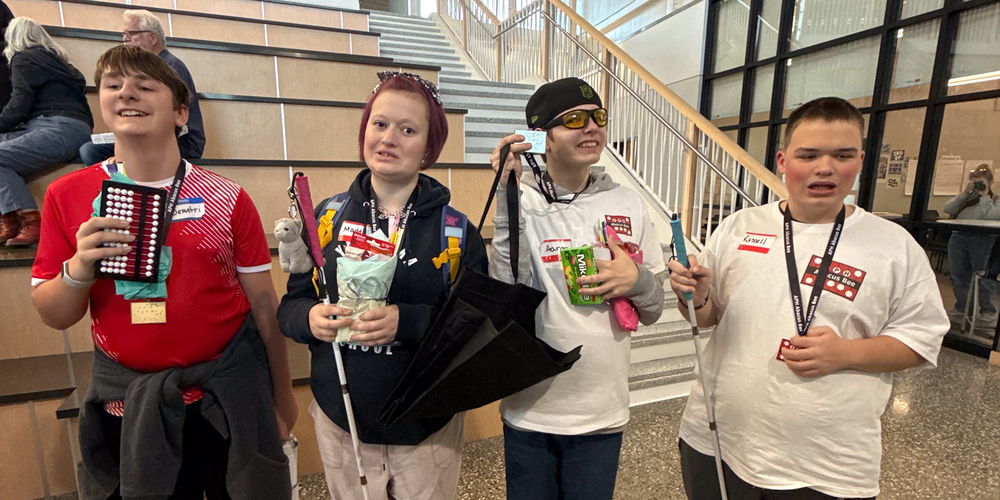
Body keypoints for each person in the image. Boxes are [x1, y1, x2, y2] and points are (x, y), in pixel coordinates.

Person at [30, 45, 296, 499]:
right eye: (113, 84)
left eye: (144, 84)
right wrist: (79, 268)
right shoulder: (68, 195)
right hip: (127, 401)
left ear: (181, 112)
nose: (126, 92)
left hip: (223, 399)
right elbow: (54, 314)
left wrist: (282, 394)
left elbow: (263, 305)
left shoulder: (226, 197)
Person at [669, 97, 949, 500]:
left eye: (842, 155)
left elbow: (921, 341)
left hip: (827, 465)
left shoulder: (894, 246)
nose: (825, 167)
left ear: (860, 161)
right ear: (782, 160)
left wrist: (845, 354)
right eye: (809, 154)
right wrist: (695, 298)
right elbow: (709, 316)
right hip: (716, 439)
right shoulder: (739, 227)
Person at [276, 71, 488, 500]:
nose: (389, 138)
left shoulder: (456, 231)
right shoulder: (327, 217)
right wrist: (310, 318)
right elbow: (291, 305)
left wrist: (407, 322)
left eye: (408, 129)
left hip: (428, 427)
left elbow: (476, 324)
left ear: (429, 146)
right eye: (380, 123)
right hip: (343, 422)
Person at [489, 77, 666, 500]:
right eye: (573, 120)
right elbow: (505, 289)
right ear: (543, 138)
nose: (590, 127)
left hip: (601, 411)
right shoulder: (523, 200)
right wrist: (505, 195)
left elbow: (655, 306)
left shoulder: (628, 202)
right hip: (530, 407)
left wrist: (635, 280)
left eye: (597, 117)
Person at [0, 17, 93, 246]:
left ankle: (30, 221)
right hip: (77, 131)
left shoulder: (23, 58)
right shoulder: (63, 64)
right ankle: (9, 220)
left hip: (56, 128)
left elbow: (18, 105)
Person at [78, 9, 205, 166]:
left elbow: (169, 122)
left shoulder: (170, 66)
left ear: (152, 37)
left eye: (131, 33)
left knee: (91, 150)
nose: (125, 39)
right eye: (124, 34)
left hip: (181, 140)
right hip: (156, 134)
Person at [943, 164, 1000, 325]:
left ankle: (987, 309)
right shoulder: (966, 198)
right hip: (959, 237)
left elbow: (992, 217)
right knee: (959, 275)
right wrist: (964, 193)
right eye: (975, 182)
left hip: (982, 239)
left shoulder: (995, 200)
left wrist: (984, 196)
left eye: (981, 182)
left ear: (989, 182)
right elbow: (948, 208)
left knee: (983, 276)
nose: (978, 185)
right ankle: (962, 307)